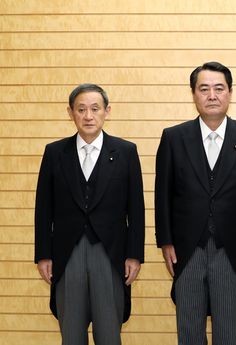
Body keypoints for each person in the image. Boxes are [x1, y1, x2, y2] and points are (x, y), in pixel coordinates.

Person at [155, 61, 236, 345]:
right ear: (194, 94)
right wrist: (166, 242)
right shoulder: (174, 138)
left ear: (230, 93)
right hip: (186, 249)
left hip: (233, 251)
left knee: (230, 333)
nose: (212, 95)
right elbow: (163, 194)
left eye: (219, 88)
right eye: (204, 89)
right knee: (189, 333)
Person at [34, 83, 145, 345]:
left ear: (107, 111)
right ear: (70, 112)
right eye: (81, 109)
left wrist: (134, 255)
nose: (88, 116)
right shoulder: (54, 153)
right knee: (71, 335)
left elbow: (136, 209)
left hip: (110, 253)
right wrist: (43, 254)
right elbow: (43, 208)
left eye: (95, 109)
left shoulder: (126, 152)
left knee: (109, 335)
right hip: (67, 253)